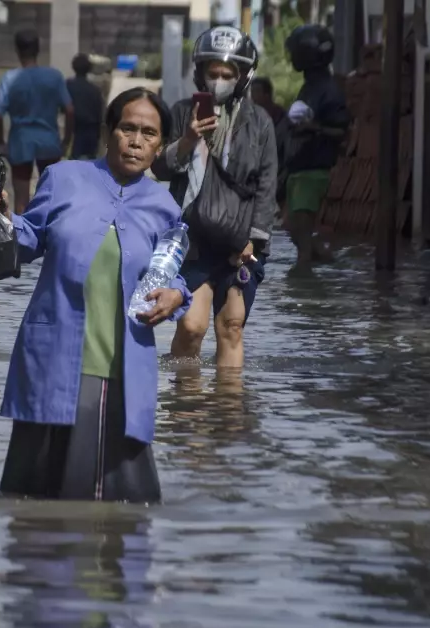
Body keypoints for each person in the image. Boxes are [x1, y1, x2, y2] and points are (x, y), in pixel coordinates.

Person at [0, 88, 189, 503]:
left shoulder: (164, 205)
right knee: (35, 493)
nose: (136, 140)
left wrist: (176, 298)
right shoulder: (63, 178)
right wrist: (2, 215)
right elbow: (27, 239)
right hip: (55, 354)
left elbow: (173, 272)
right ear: (108, 132)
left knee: (126, 500)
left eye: (148, 133)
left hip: (123, 363)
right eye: (127, 128)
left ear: (160, 145)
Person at [152, 25, 278, 370]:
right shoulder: (181, 113)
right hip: (191, 240)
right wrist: (189, 139)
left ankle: (228, 412)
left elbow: (267, 184)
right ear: (200, 73)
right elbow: (160, 168)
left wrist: (255, 239)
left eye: (227, 74)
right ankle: (184, 406)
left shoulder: (259, 122)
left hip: (241, 244)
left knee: (231, 327)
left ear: (242, 77)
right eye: (213, 73)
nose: (219, 80)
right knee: (191, 326)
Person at [284, 24, 350, 269]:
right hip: (299, 165)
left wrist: (315, 128)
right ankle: (324, 260)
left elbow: (341, 131)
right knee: (292, 227)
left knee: (300, 228)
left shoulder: (329, 90)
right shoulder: (310, 85)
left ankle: (303, 277)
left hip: (314, 168)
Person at [0, 29, 75, 214]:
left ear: (17, 50)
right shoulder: (54, 76)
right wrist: (66, 141)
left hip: (20, 142)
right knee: (50, 195)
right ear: (38, 49)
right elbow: (69, 110)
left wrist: (1, 143)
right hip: (49, 142)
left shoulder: (10, 78)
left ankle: (22, 239)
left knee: (21, 198)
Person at [250, 75, 291, 207]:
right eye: (252, 92)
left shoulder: (282, 118)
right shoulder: (252, 118)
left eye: (256, 92)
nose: (253, 96)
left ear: (267, 94)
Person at [67, 53, 105, 160]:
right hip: (92, 132)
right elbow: (100, 115)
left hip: (76, 131)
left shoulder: (69, 86)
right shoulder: (95, 90)